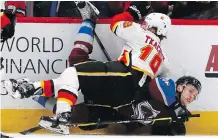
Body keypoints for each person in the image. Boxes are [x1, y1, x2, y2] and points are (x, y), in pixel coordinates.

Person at [2, 1, 200, 135]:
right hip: (127, 96)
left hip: (122, 76)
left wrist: (131, 12)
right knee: (70, 80)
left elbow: (117, 24)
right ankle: (30, 90)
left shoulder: (142, 33)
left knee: (73, 72)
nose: (143, 24)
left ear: (154, 26)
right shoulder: (164, 57)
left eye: (147, 23)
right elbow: (163, 81)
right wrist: (175, 110)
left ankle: (59, 115)